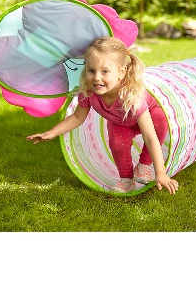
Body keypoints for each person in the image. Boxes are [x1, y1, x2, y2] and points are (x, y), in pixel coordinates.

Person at [26, 36, 179, 195]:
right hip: (120, 122)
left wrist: (161, 173)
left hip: (149, 117)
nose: (97, 77)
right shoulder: (88, 93)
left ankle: (144, 165)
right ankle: (126, 179)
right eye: (91, 70)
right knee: (117, 143)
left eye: (105, 71)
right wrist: (52, 133)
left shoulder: (131, 96)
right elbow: (77, 117)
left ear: (121, 73)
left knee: (160, 120)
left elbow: (149, 136)